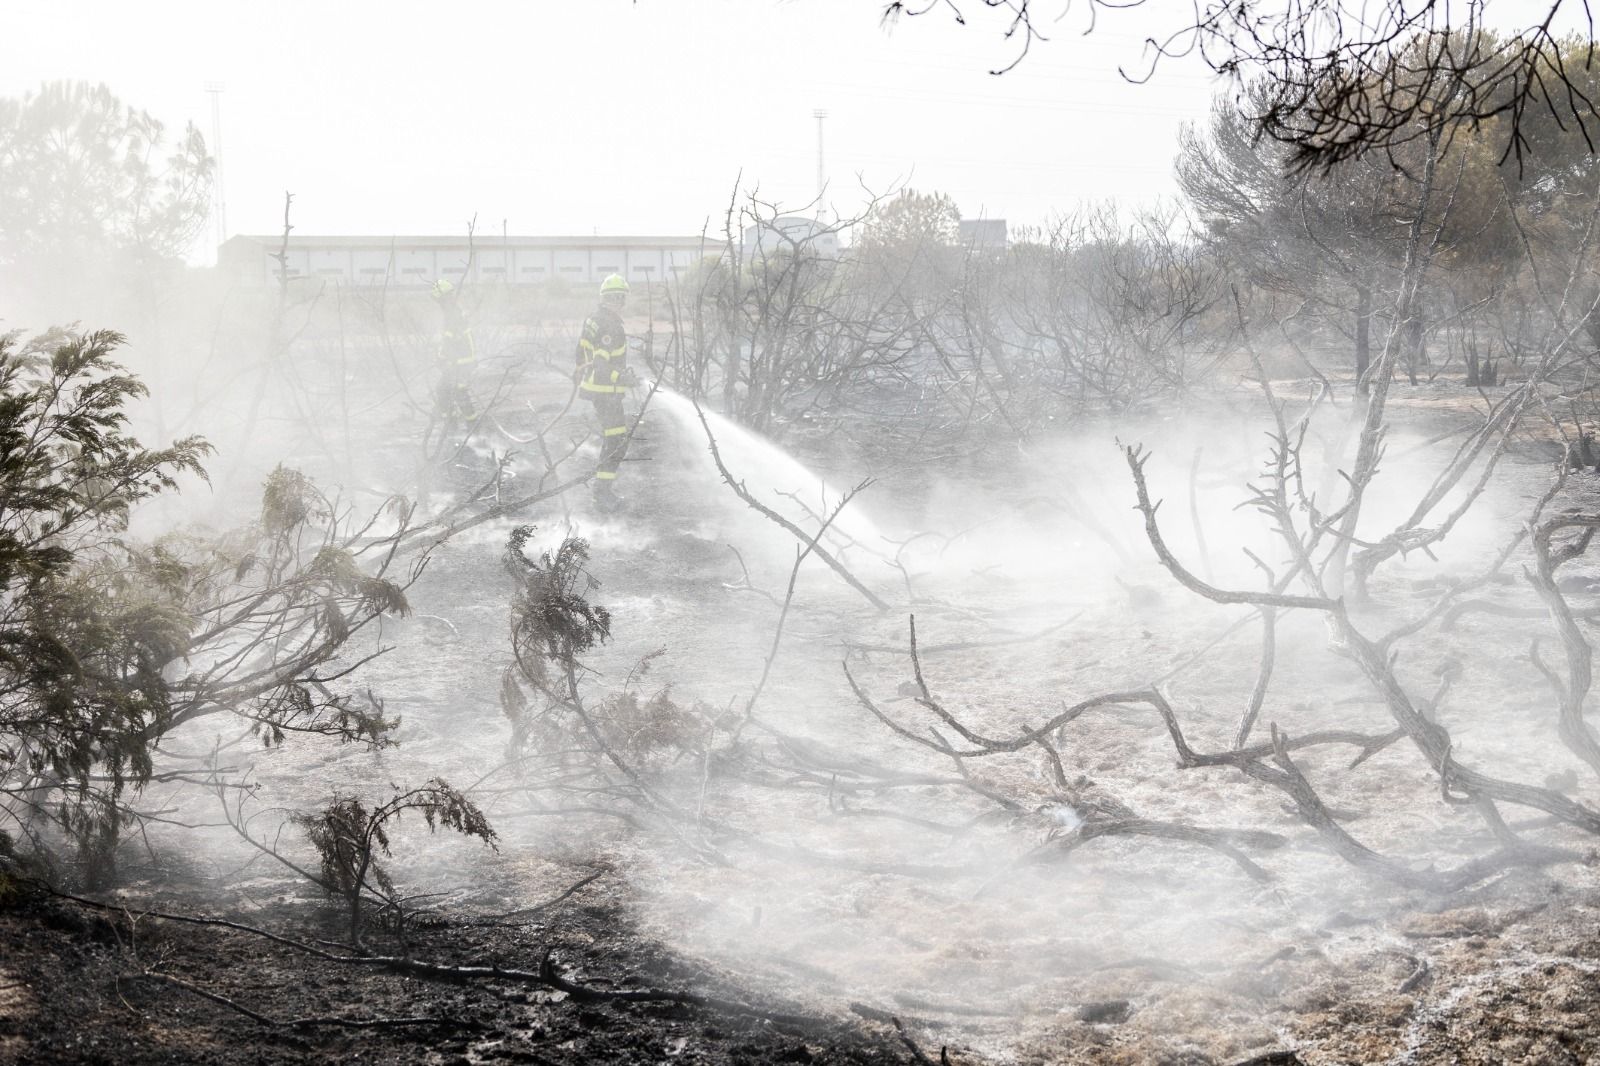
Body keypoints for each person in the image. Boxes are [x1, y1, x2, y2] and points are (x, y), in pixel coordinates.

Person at [574, 274, 636, 509]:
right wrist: (621, 377)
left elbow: (582, 354)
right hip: (605, 392)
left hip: (596, 389)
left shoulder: (594, 318)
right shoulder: (611, 326)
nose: (620, 302)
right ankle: (602, 494)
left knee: (614, 439)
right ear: (618, 299)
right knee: (616, 441)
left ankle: (602, 491)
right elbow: (602, 365)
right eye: (619, 298)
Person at [431, 278, 476, 426]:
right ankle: (456, 424)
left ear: (443, 298)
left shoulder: (452, 314)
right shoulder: (454, 311)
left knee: (454, 391)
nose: (439, 304)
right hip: (461, 360)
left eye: (439, 300)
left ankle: (465, 427)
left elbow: (448, 341)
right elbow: (449, 340)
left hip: (461, 361)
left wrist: (442, 357)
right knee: (447, 390)